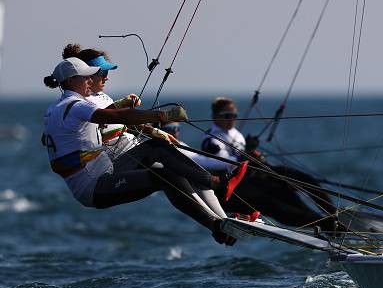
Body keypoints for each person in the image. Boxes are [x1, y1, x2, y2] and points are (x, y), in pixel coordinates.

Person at [42, 58, 247, 245]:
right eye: (85, 77)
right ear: (70, 81)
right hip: (95, 186)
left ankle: (218, 206)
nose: (90, 80)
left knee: (159, 154)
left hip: (104, 172)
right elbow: (118, 117)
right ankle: (216, 206)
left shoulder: (54, 109)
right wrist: (162, 115)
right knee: (163, 173)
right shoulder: (75, 106)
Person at [165, 97, 341, 231]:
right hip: (237, 185)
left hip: (251, 175)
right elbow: (215, 161)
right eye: (226, 116)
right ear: (215, 117)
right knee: (274, 203)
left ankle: (333, 216)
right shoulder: (211, 139)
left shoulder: (235, 134)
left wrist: (250, 150)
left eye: (233, 115)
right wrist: (243, 158)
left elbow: (238, 156)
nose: (231, 119)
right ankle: (327, 224)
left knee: (300, 180)